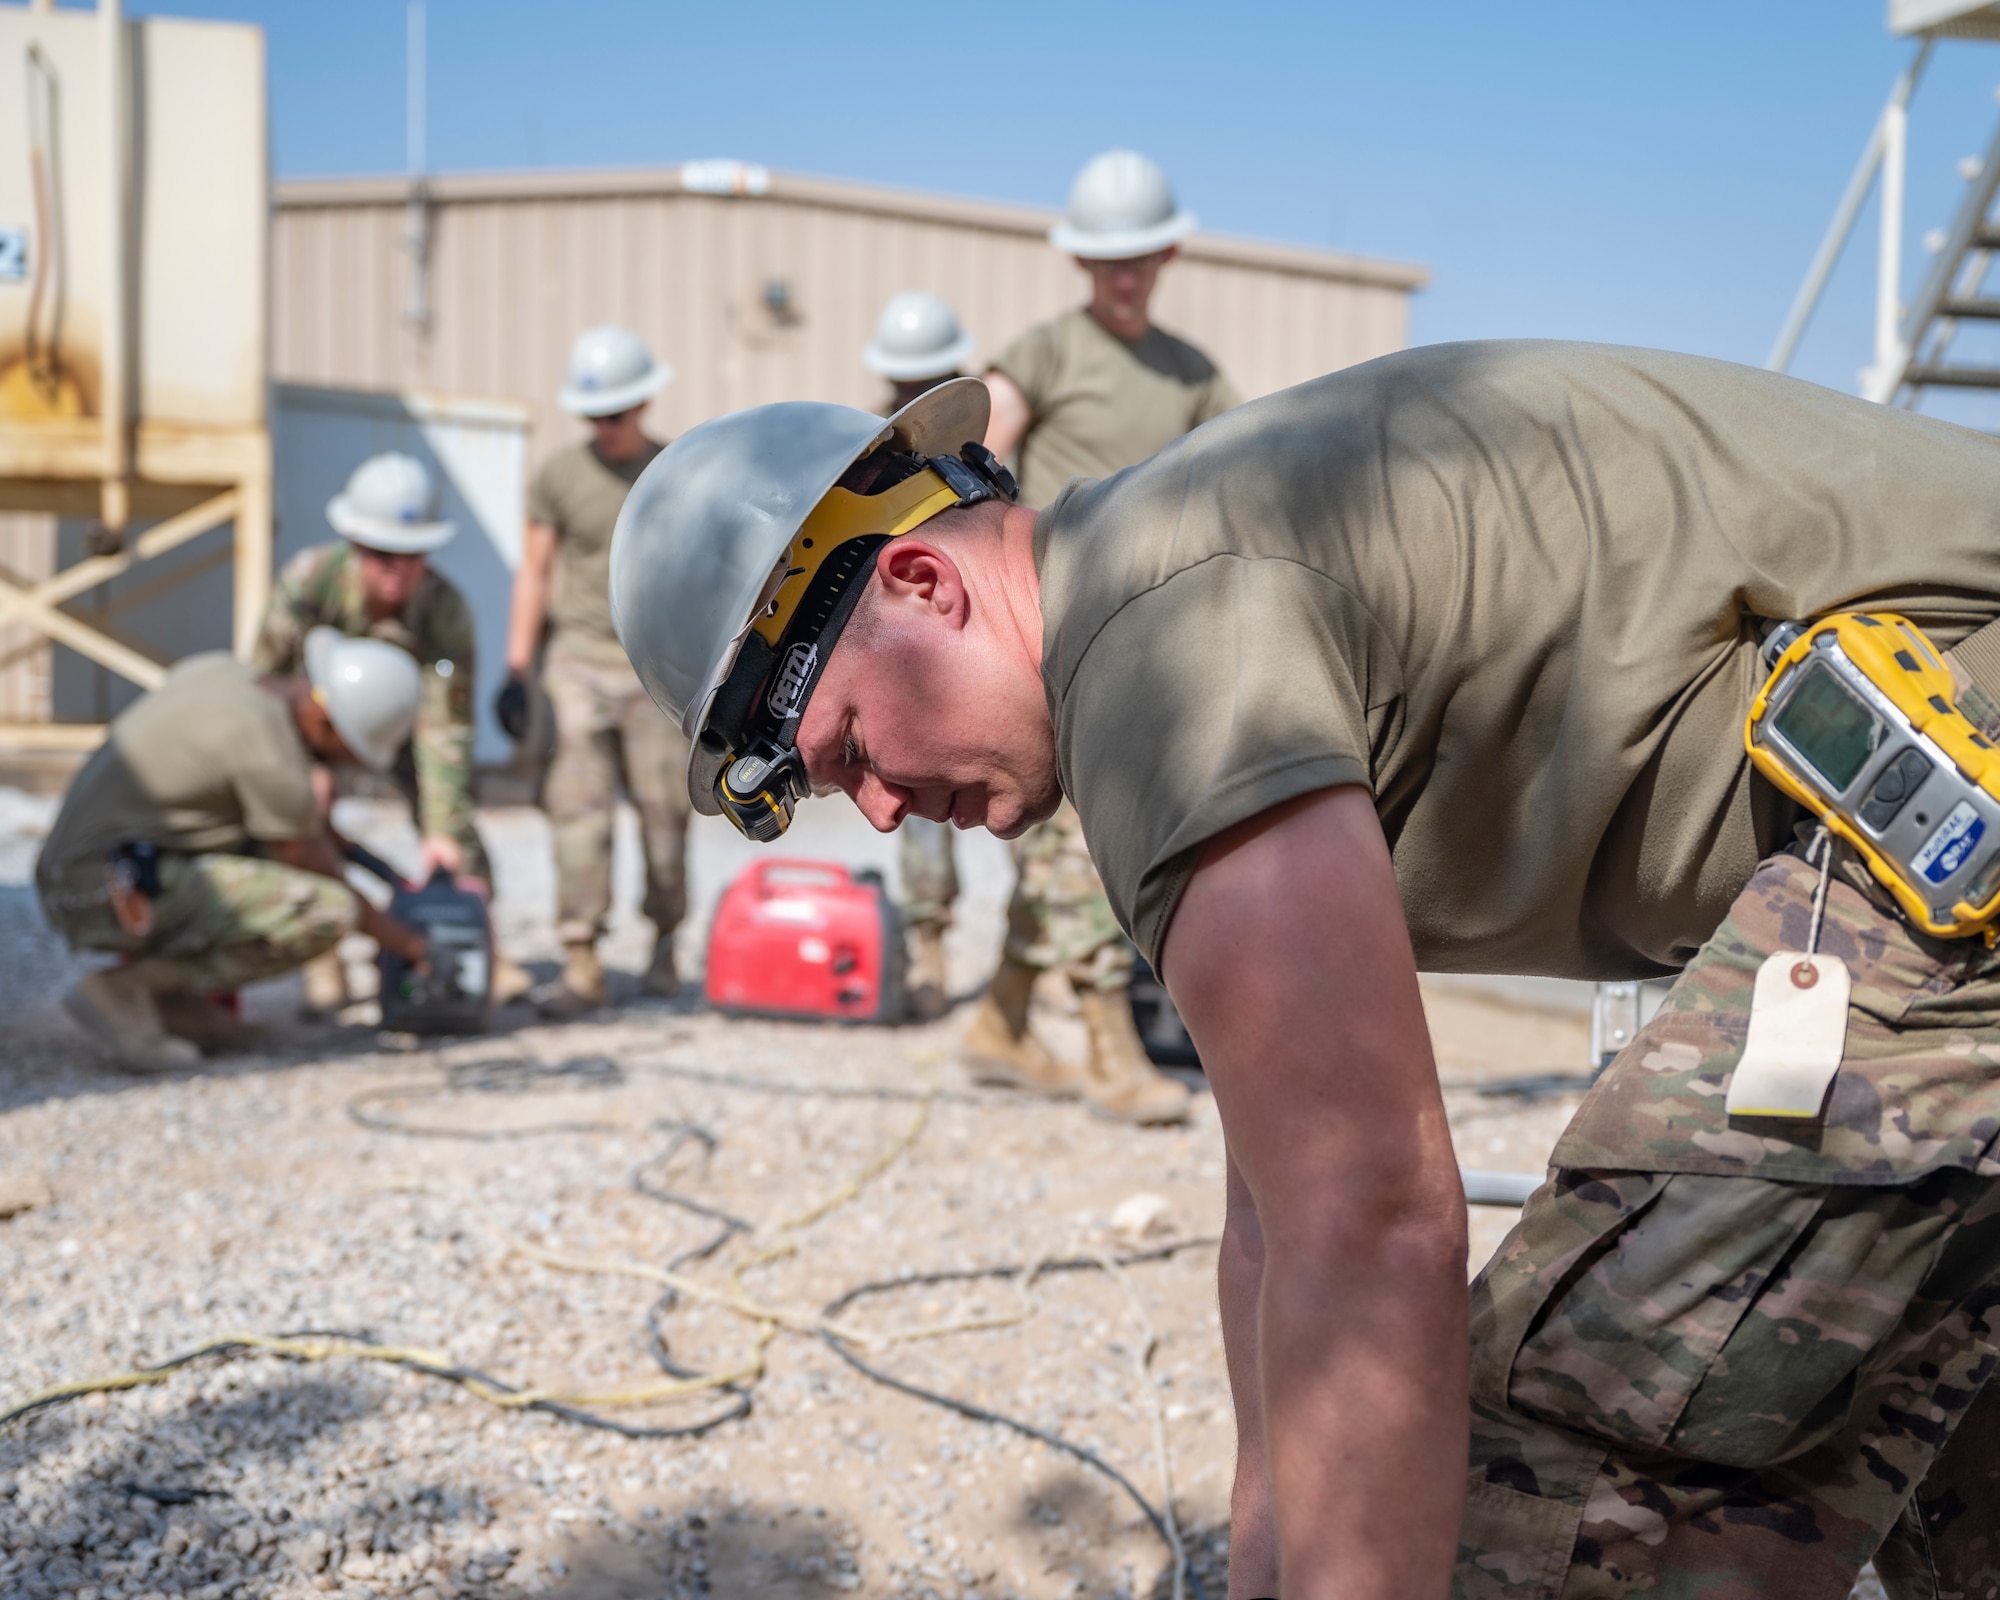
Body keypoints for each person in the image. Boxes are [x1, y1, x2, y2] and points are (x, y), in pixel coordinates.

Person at [607, 347, 2000, 1597]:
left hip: (1954, 820)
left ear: (921, 583)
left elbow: (1375, 1223)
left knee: (1553, 1511)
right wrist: (1267, 1552)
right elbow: (1278, 1210)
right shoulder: (1157, 588)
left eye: (848, 748)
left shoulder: (1163, 651)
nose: (887, 809)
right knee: (1941, 1459)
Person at [964, 149, 1241, 1122]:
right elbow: (976, 452)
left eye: (1139, 258)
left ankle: (998, 1021)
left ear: (1165, 254)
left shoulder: (1192, 375)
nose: (1122, 277)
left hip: (1151, 639)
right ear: (1080, 262)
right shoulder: (1043, 352)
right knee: (1075, 839)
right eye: (1104, 261)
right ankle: (1110, 1051)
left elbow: (1241, 479)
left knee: (1069, 842)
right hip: (1051, 628)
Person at [39, 631, 427, 1073]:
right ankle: (126, 991)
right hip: (96, 888)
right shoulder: (270, 756)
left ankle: (175, 1008)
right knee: (325, 910)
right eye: (349, 750)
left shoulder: (226, 674)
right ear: (324, 721)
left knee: (256, 854)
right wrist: (411, 944)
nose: (346, 764)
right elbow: (317, 870)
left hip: (78, 867)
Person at [252, 451, 527, 1011]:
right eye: (381, 554)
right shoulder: (310, 583)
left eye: (412, 554)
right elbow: (263, 686)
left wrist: (441, 831)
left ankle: (481, 951)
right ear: (353, 541)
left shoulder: (444, 611)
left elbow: (447, 726)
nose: (396, 570)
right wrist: (298, 772)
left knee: (455, 830)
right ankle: (322, 962)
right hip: (318, 729)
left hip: (407, 732)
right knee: (305, 814)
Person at [499, 324, 685, 1016]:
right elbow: (535, 571)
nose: (606, 427)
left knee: (665, 820)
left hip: (655, 670)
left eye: (618, 413)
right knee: (579, 815)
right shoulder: (559, 477)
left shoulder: (675, 470)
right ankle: (582, 963)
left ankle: (667, 941)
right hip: (576, 662)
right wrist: (517, 670)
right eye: (595, 415)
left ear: (643, 403)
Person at [864, 290, 979, 1019]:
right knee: (924, 806)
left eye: (927, 381)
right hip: (907, 661)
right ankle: (930, 948)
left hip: (978, 638)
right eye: (905, 386)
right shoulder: (863, 457)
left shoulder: (981, 447)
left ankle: (1044, 964)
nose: (915, 397)